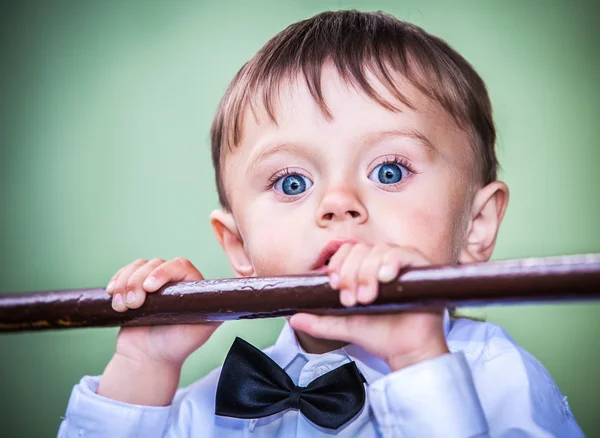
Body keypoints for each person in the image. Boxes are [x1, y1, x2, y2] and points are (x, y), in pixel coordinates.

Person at [57, 10, 584, 437]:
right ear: (239, 247)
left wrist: (418, 361)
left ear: (477, 224)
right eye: (292, 182)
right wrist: (143, 369)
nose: (338, 204)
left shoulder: (499, 376)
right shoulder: (212, 405)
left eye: (389, 170)